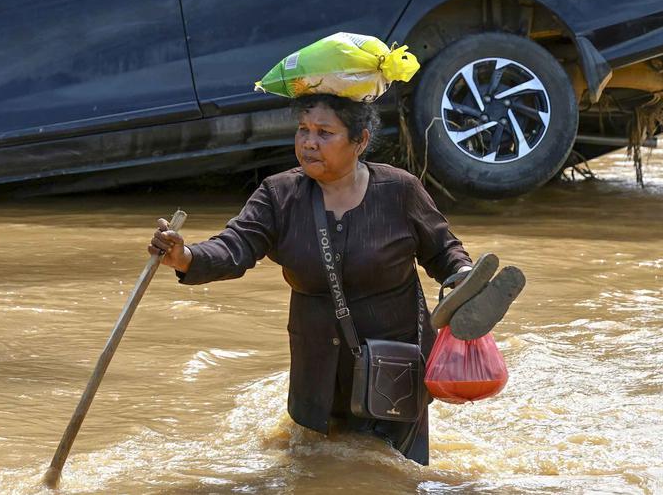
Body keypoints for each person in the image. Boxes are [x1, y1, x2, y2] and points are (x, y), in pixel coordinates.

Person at [147, 93, 490, 465]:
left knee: (395, 473)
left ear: (360, 141)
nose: (309, 142)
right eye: (303, 130)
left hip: (393, 373)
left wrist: (462, 277)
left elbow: (443, 250)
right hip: (317, 373)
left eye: (324, 133)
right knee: (314, 471)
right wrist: (185, 256)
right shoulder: (279, 195)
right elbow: (236, 245)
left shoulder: (400, 190)